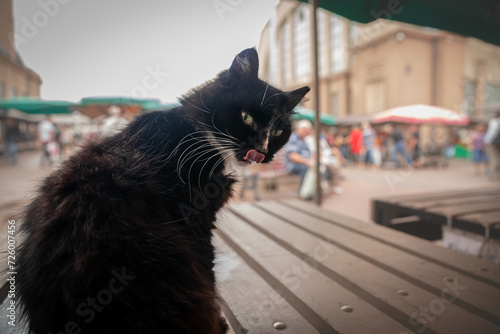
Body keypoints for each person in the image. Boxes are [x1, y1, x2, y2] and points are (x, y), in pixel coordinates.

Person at [285, 120, 313, 188]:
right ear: (297, 129)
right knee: (305, 168)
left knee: (319, 167)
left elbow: (311, 152)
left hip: (304, 162)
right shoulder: (293, 138)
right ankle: (303, 192)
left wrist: (312, 159)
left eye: (307, 131)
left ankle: (313, 190)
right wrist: (307, 161)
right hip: (292, 165)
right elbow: (292, 156)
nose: (306, 133)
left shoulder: (305, 139)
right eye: (304, 131)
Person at [484, 111, 500, 179]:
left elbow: (491, 133)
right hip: (496, 142)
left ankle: (493, 174)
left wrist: (487, 142)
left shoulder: (494, 121)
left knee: (494, 158)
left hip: (494, 143)